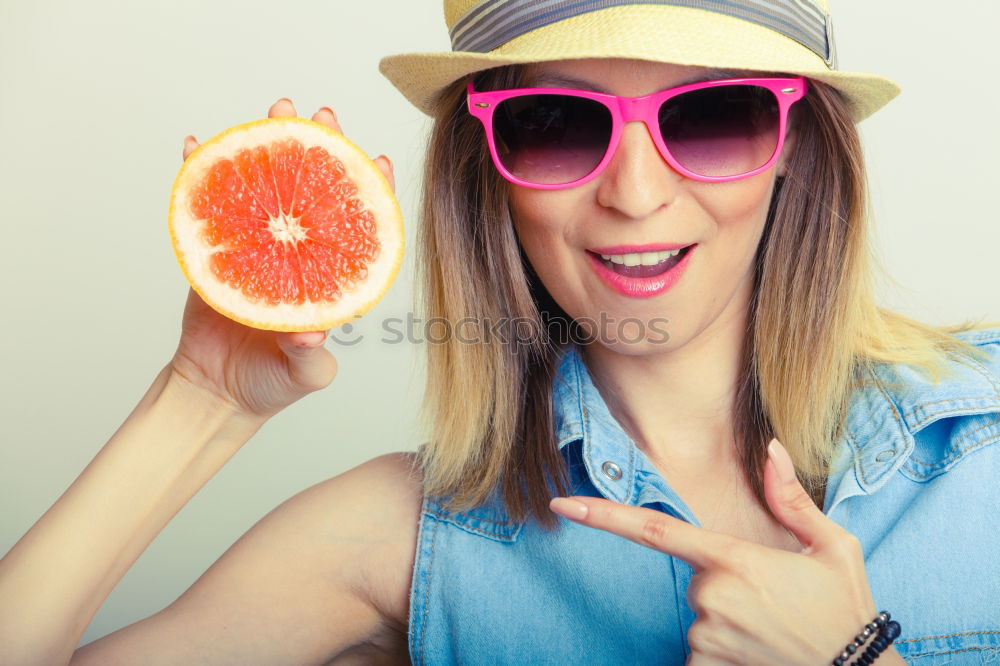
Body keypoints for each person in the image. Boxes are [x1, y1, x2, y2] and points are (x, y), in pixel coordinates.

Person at [2, 0, 999, 664]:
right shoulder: (399, 534)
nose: (637, 195)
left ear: (797, 151)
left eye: (712, 117)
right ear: (488, 168)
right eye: (561, 125)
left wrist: (854, 658)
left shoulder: (986, 439)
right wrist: (202, 397)